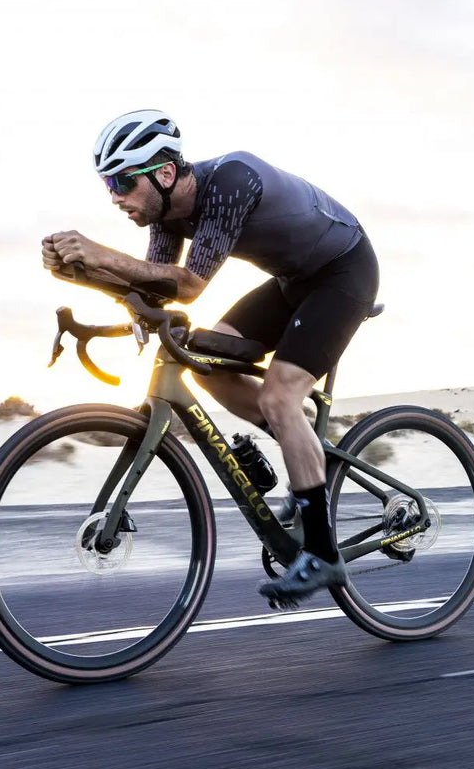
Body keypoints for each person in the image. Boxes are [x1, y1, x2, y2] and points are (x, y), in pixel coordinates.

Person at [41, 109, 379, 606]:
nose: (114, 197)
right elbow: (155, 289)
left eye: (121, 181)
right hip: (293, 283)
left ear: (164, 173)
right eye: (107, 184)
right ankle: (299, 447)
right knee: (202, 356)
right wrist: (77, 273)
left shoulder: (230, 181)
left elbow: (190, 287)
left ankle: (324, 555)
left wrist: (99, 252)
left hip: (343, 272)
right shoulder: (167, 215)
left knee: (282, 395)